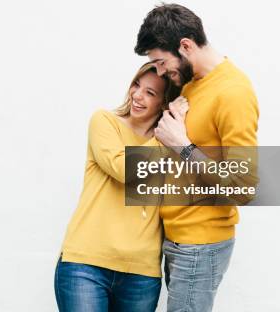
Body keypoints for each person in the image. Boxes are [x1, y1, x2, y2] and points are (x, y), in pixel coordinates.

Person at [134, 3, 259, 312]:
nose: (160, 72)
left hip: (200, 244)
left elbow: (244, 188)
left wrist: (184, 146)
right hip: (175, 239)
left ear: (185, 46)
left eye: (161, 62)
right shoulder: (189, 84)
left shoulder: (233, 92)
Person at [55, 63, 184, 312]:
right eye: (137, 85)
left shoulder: (172, 148)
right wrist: (165, 136)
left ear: (163, 103)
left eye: (150, 93)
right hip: (85, 265)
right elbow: (124, 169)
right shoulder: (105, 122)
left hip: (141, 274)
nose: (137, 95)